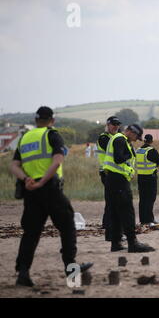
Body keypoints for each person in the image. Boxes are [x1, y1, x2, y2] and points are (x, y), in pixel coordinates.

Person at [10, 106, 93, 287]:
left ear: (35, 120)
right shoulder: (51, 134)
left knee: (31, 234)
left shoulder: (24, 138)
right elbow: (57, 161)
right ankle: (71, 269)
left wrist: (26, 180)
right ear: (52, 120)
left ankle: (23, 273)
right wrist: (41, 182)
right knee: (68, 226)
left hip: (31, 192)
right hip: (50, 189)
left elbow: (14, 165)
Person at [103, 123, 153, 253]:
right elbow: (119, 158)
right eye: (137, 136)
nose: (137, 139)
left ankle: (116, 243)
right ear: (130, 131)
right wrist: (130, 155)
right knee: (127, 212)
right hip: (119, 181)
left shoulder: (117, 138)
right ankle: (132, 242)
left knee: (115, 213)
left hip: (112, 180)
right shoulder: (120, 139)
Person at [96, 116, 121, 242]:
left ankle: (107, 224)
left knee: (113, 200)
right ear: (108, 125)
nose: (116, 126)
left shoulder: (116, 137)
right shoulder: (104, 138)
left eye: (118, 124)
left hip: (115, 172)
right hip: (106, 172)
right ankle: (107, 225)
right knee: (112, 200)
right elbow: (116, 151)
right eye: (113, 124)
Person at [136, 134, 159, 226]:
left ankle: (143, 220)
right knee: (150, 199)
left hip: (140, 177)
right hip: (150, 178)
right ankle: (149, 219)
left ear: (144, 140)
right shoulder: (152, 151)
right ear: (151, 141)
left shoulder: (138, 151)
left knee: (142, 199)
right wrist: (156, 170)